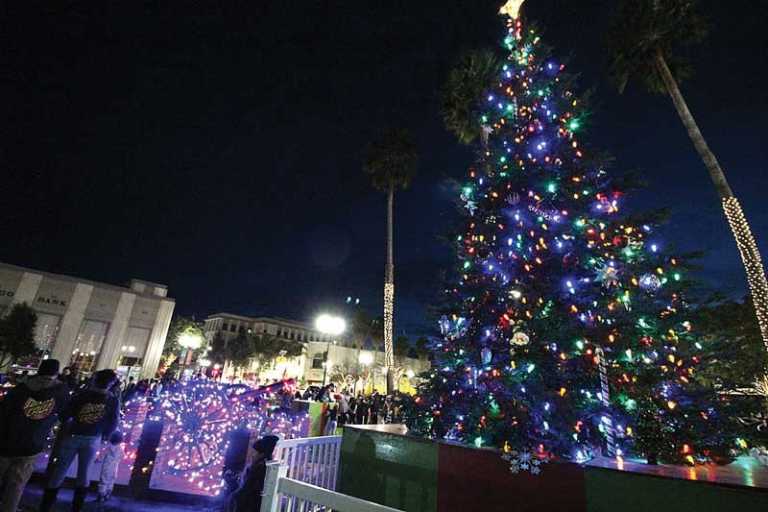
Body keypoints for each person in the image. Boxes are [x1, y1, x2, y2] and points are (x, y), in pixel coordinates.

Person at [41, 369, 120, 512]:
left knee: (59, 471)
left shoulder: (82, 394)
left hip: (73, 434)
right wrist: (105, 435)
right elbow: (114, 421)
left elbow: (66, 413)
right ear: (111, 384)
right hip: (93, 437)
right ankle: (76, 508)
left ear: (95, 380)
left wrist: (67, 421)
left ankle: (46, 506)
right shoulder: (112, 399)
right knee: (84, 473)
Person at [0, 359, 69, 512]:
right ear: (56, 373)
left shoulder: (20, 389)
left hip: (6, 441)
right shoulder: (60, 392)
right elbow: (65, 413)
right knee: (16, 485)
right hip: (33, 444)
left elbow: (4, 412)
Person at [229, 435, 279, 512]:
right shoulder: (262, 465)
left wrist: (234, 492)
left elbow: (247, 489)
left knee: (233, 497)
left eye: (255, 453)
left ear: (261, 454)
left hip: (251, 503)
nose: (252, 455)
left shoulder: (260, 467)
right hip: (251, 499)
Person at [97, 431, 124, 502]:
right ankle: (107, 494)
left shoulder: (108, 447)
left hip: (107, 467)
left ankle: (101, 496)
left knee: (103, 481)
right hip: (115, 467)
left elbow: (102, 455)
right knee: (111, 481)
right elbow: (122, 457)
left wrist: (98, 460)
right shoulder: (120, 449)